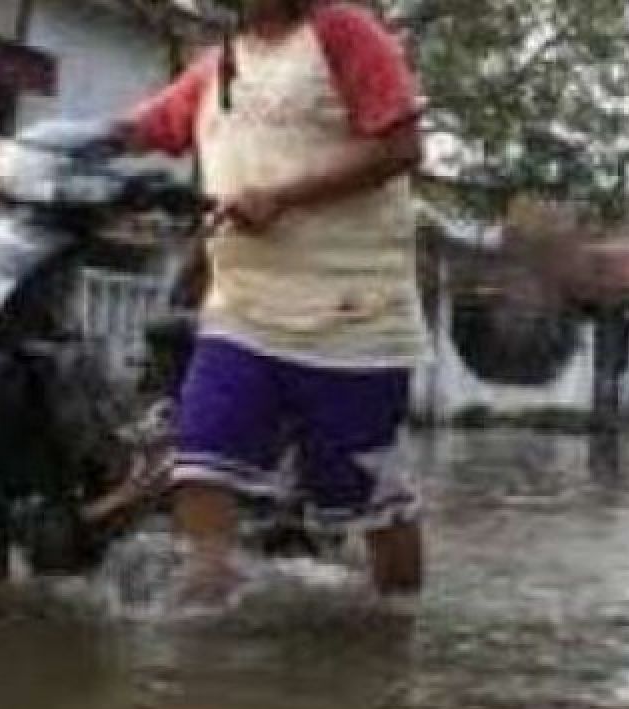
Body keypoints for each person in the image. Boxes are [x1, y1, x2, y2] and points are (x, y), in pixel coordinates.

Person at [123, 0, 425, 602]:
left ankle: (397, 628)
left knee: (371, 502)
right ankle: (204, 613)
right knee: (199, 468)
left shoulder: (345, 32)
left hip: (352, 321)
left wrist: (282, 197)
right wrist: (21, 150)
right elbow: (133, 128)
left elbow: (401, 148)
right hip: (241, 314)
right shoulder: (216, 68)